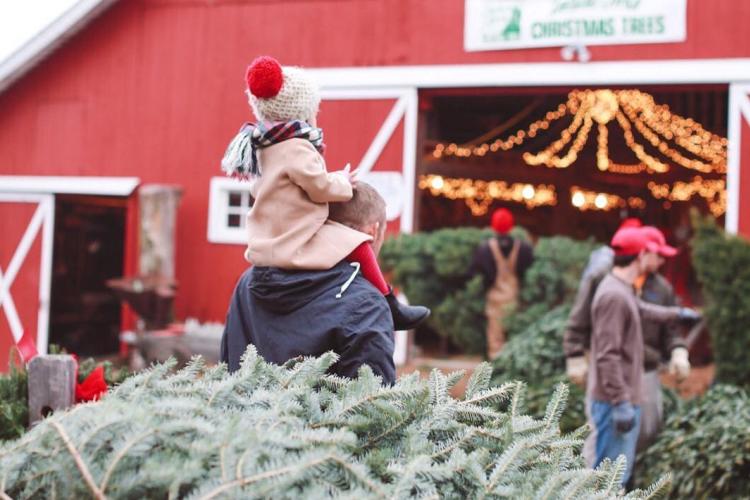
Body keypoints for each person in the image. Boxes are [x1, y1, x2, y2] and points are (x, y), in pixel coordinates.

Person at [220, 55, 428, 330]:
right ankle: (388, 302)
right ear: (303, 111)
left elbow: (295, 181)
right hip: (295, 238)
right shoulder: (296, 146)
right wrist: (342, 182)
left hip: (269, 239)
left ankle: (387, 301)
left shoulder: (264, 145)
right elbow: (318, 188)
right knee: (357, 243)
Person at [220, 182, 396, 384]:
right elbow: (373, 403)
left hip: (241, 414)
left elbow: (226, 367)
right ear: (372, 232)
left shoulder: (249, 281)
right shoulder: (366, 305)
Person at [564, 225, 696, 459]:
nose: (661, 262)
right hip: (613, 387)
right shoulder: (612, 292)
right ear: (642, 255)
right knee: (604, 465)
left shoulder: (632, 287)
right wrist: (620, 401)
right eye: (656, 255)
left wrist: (677, 318)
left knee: (625, 453)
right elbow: (607, 353)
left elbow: (642, 309)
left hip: (635, 378)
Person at [470, 208, 533, 359]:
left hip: (494, 301)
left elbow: (473, 273)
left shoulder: (485, 249)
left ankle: (498, 377)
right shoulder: (523, 248)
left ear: (493, 226)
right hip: (515, 301)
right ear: (511, 226)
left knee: (495, 344)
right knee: (514, 342)